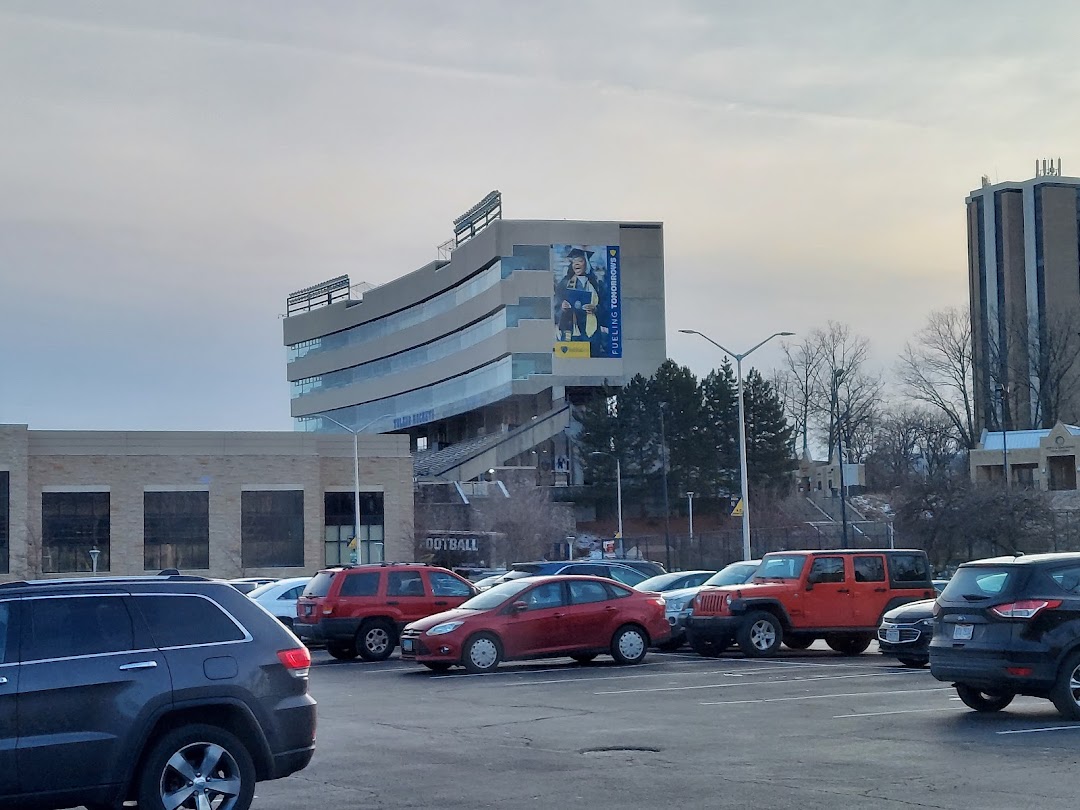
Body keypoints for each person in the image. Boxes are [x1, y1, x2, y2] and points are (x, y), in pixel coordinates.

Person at [554, 247, 607, 356]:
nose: (576, 264)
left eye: (580, 261)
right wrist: (562, 308)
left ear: (586, 263)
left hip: (592, 333)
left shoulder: (596, 284)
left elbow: (606, 308)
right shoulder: (565, 284)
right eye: (574, 261)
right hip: (573, 331)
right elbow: (555, 308)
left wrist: (596, 309)